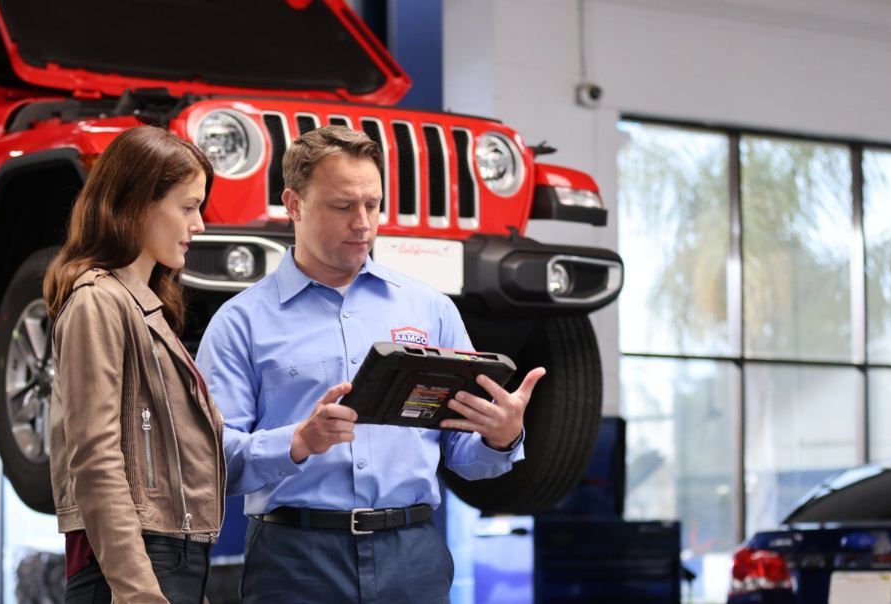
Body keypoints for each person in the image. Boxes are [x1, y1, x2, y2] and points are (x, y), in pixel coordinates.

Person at [196, 126, 545, 603]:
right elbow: (210, 463)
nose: (363, 223)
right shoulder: (240, 322)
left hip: (413, 555)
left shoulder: (431, 309)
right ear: (294, 204)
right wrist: (297, 442)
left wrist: (499, 436)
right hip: (295, 561)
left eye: (373, 205)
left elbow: (464, 456)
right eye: (343, 206)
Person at [44, 126, 226, 603]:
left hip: (165, 560)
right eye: (188, 207)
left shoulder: (139, 304)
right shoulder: (98, 303)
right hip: (133, 567)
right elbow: (96, 459)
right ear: (139, 204)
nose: (200, 224)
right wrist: (138, 592)